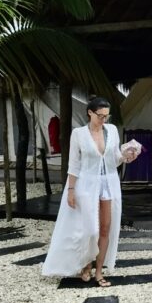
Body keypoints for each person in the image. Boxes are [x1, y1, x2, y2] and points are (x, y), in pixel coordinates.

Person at [41, 97, 140, 286]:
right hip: (86, 184)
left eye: (106, 116)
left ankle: (99, 272)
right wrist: (71, 190)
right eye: (100, 116)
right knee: (90, 230)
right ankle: (86, 264)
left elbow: (114, 159)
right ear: (90, 113)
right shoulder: (78, 134)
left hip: (109, 183)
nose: (104, 119)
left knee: (106, 229)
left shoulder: (111, 130)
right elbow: (74, 165)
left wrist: (126, 156)